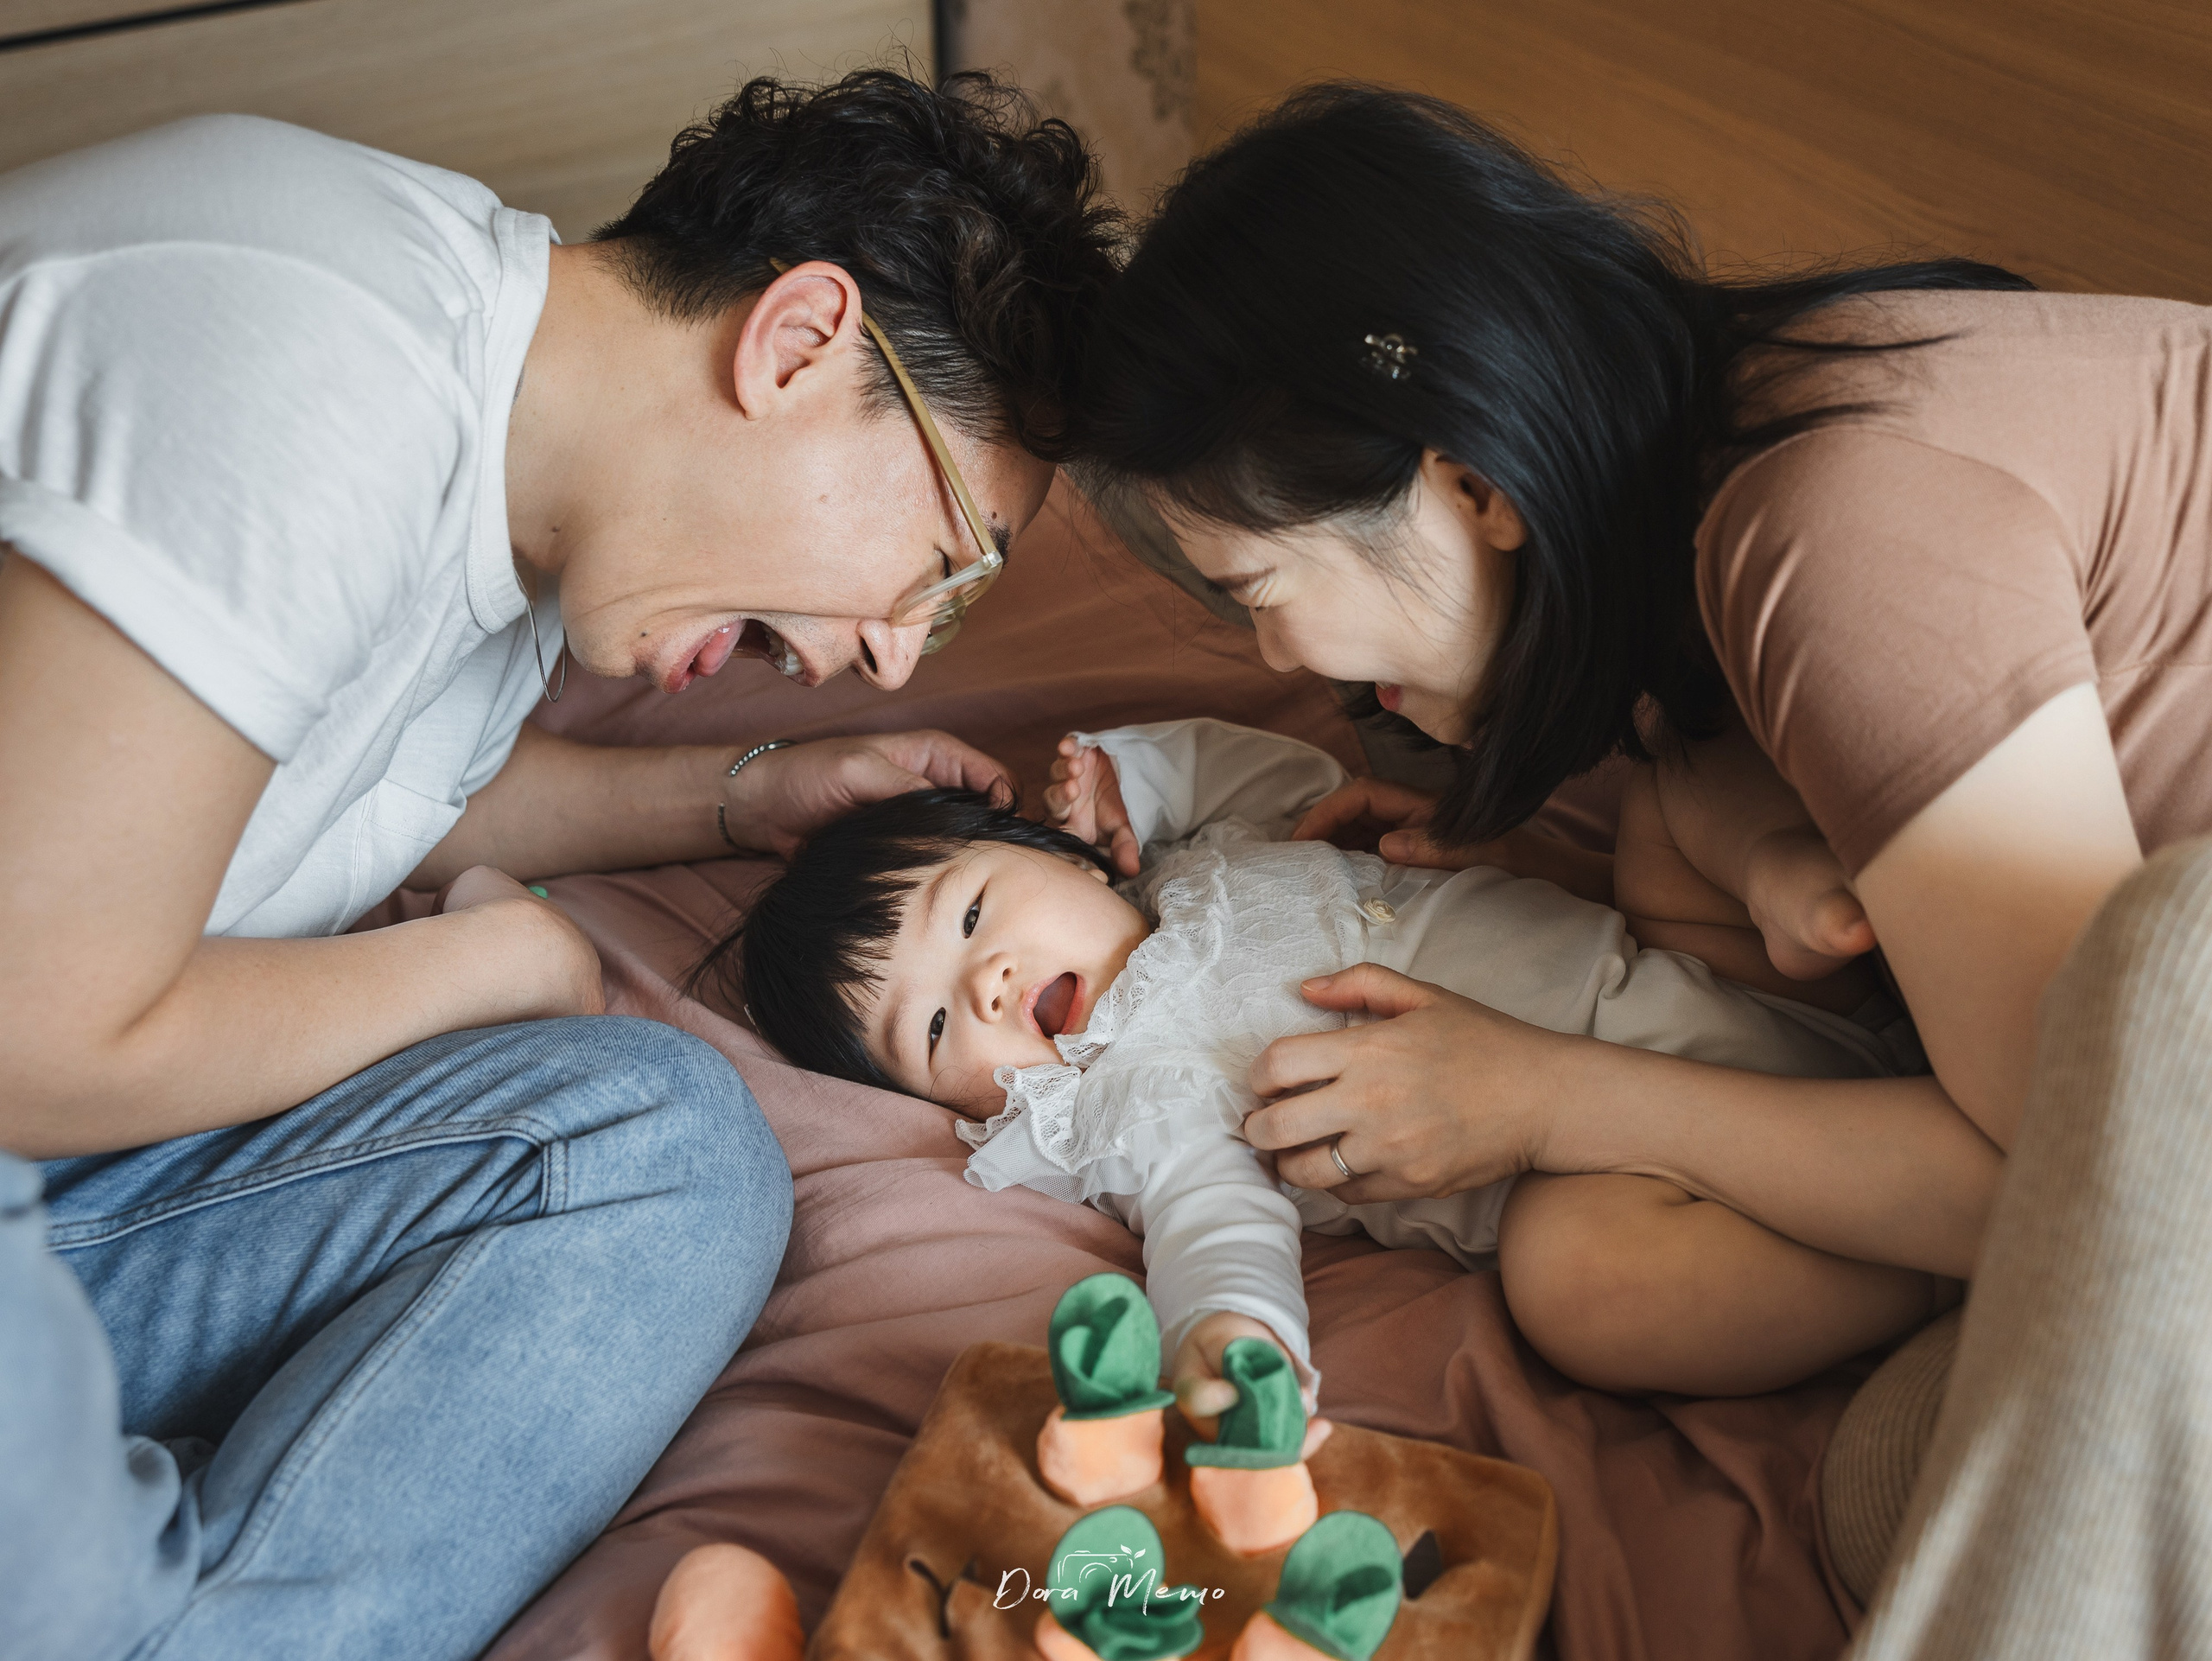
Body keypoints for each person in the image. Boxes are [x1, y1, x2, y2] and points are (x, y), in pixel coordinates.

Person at [1074, 84, 2212, 1656]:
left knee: (1947, 1497)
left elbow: (2088, 1185)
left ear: (1469, 482)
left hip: (2130, 1112)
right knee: (1890, 1486)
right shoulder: (1738, 464)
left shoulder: (1832, 533)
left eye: (1261, 588)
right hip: (2068, 1086)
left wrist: (1548, 1094)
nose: (1283, 659)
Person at [0, 70, 1119, 1661]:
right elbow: (28, 1032)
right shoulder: (311, 359)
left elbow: (327, 793)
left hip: (86, 1178)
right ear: (799, 344)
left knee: (664, 1145)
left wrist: (758, 797)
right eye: (943, 571)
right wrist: (484, 968)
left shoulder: (518, 518)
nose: (888, 659)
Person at [718, 716, 1946, 1405]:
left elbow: (1272, 771)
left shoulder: (1199, 858)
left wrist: (1129, 776)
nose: (982, 983)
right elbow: (1211, 1217)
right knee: (1579, 1285)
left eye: (978, 912)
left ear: (1072, 855)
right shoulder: (1136, 1093)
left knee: (1679, 788)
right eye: (934, 1032)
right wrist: (1233, 1340)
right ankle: (1920, 1273)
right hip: (1661, 1180)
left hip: (1706, 969)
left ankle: (1815, 892)